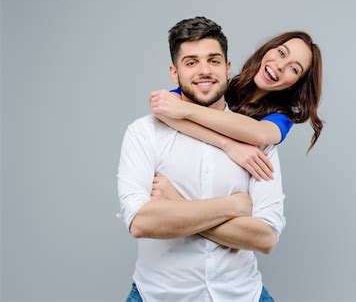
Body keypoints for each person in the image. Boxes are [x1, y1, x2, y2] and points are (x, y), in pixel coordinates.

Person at [118, 16, 285, 302]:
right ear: (174, 72)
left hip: (243, 295)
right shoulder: (144, 132)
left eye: (214, 60)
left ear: (228, 67)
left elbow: (265, 238)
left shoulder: (256, 141)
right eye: (191, 62)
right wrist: (233, 206)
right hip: (159, 295)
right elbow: (141, 222)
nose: (204, 71)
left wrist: (177, 207)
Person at [148, 29, 323, 180]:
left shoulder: (282, 117)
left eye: (294, 69)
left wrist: (185, 110)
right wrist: (229, 145)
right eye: (281, 53)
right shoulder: (222, 85)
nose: (280, 65)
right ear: (268, 50)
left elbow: (259, 134)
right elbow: (163, 108)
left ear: (295, 83)